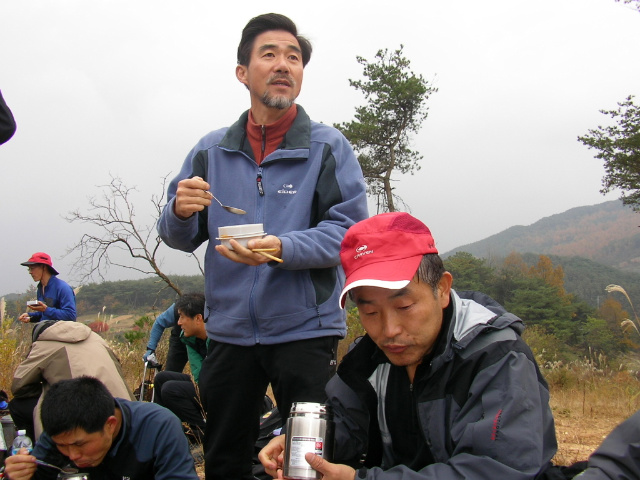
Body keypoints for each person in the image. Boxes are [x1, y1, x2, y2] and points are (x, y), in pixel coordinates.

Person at [157, 12, 368, 479]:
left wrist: (280, 247)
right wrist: (180, 209)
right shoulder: (212, 150)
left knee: (308, 460)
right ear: (242, 72)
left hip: (304, 330)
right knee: (226, 455)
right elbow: (177, 236)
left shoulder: (327, 147)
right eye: (269, 54)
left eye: (293, 57)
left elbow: (349, 233)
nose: (283, 65)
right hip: (229, 332)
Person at [259, 212, 558, 480]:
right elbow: (348, 423)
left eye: (404, 306)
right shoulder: (368, 360)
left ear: (441, 289)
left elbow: (498, 468)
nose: (389, 331)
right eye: (370, 312)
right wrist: (304, 440)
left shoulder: (495, 356)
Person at [4, 376, 198, 480]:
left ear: (110, 425)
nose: (72, 456)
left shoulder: (158, 427)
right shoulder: (62, 432)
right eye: (63, 447)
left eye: (80, 445)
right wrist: (17, 476)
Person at [9, 320, 135, 441]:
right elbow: (118, 365)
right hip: (124, 408)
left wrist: (47, 389)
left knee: (17, 405)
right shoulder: (97, 339)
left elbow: (19, 386)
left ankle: (36, 449)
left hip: (81, 412)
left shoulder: (43, 345)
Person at [153, 293, 208, 443]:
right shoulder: (189, 337)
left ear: (198, 318)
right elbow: (198, 375)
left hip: (223, 387)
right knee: (161, 378)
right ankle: (163, 428)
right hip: (205, 382)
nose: (178, 323)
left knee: (171, 389)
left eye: (182, 317)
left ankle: (203, 431)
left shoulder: (219, 338)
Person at [18, 252, 76, 323]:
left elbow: (70, 316)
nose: (30, 272)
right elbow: (45, 314)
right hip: (45, 331)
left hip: (61, 332)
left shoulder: (63, 288)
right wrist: (29, 316)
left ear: (44, 267)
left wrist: (46, 309)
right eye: (29, 269)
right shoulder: (40, 288)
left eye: (32, 268)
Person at [143, 302, 189, 373]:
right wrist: (151, 349)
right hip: (179, 341)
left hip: (201, 341)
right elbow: (160, 322)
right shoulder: (180, 307)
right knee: (171, 374)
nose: (179, 322)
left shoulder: (207, 309)